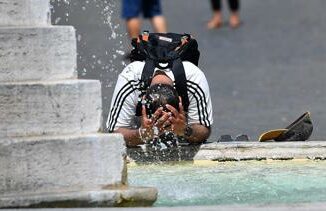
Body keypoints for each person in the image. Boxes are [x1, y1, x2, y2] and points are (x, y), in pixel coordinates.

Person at [106, 33, 213, 147]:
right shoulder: (130, 79)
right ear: (143, 99)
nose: (163, 132)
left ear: (180, 100)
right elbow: (114, 133)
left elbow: (204, 129)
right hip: (142, 124)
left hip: (180, 121)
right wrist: (141, 134)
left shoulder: (194, 78)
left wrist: (185, 130)